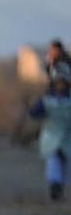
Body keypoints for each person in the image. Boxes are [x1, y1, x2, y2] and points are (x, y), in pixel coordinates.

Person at [30, 68, 71, 200]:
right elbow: (34, 113)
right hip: (52, 137)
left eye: (62, 83)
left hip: (66, 137)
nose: (60, 86)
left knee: (64, 163)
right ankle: (55, 186)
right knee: (54, 162)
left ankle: (59, 185)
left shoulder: (64, 100)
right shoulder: (46, 100)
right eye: (58, 83)